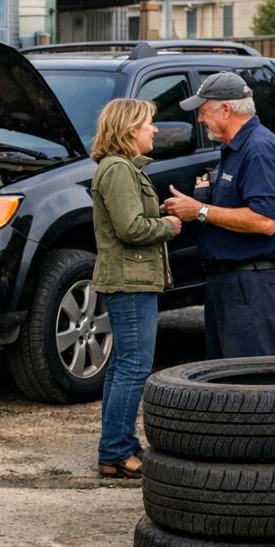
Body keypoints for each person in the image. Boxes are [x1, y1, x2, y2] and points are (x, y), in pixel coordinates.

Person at [162, 72, 275, 358]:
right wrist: (197, 208)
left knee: (250, 382)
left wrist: (200, 210)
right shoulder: (234, 149)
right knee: (226, 384)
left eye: (203, 110)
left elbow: (265, 221)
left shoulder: (259, 150)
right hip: (230, 283)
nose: (199, 119)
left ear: (226, 108)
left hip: (252, 285)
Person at [88, 99, 183, 479]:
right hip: (130, 281)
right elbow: (131, 229)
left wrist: (156, 213)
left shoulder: (123, 169)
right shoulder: (118, 170)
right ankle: (115, 451)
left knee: (124, 366)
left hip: (133, 279)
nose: (154, 130)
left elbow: (130, 219)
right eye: (148, 123)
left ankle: (120, 444)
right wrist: (169, 227)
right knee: (133, 367)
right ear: (129, 129)